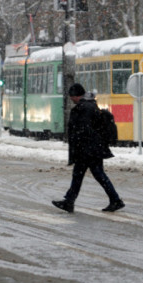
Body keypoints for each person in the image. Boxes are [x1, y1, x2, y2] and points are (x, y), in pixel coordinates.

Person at [52, 83, 125, 213]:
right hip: (92, 148)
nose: (71, 99)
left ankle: (115, 200)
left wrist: (80, 145)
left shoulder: (84, 108)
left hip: (88, 150)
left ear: (76, 96)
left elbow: (84, 129)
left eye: (71, 96)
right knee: (88, 175)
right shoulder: (89, 105)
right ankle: (70, 201)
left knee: (90, 175)